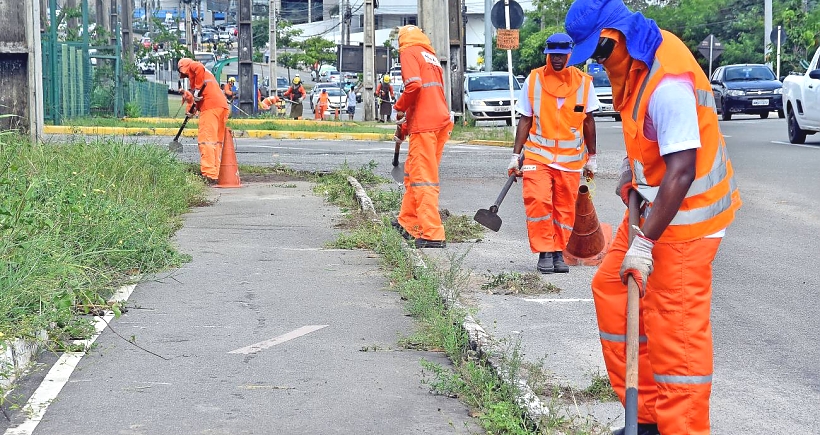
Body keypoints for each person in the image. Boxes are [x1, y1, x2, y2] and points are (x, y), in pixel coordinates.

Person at [564, 1, 742, 434]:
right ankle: (643, 417)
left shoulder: (667, 83)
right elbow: (651, 138)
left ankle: (680, 427)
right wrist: (633, 164)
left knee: (675, 335)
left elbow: (682, 170)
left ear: (617, 37)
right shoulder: (638, 65)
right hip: (655, 208)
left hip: (686, 222)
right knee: (610, 286)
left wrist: (643, 245)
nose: (599, 65)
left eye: (600, 54)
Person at [508, 32, 599, 274]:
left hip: (570, 160)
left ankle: (559, 251)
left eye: (561, 55)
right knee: (538, 201)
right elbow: (525, 120)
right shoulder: (534, 79)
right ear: (547, 55)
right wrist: (515, 155)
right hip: (538, 155)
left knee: (565, 208)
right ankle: (544, 251)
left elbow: (588, 122)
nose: (557, 59)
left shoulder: (584, 83)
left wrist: (592, 157)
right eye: (552, 55)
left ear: (570, 55)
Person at [391, 25, 453, 249]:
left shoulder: (408, 51)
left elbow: (414, 86)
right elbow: (428, 94)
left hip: (425, 126)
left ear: (402, 40)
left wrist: (399, 108)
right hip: (439, 121)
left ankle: (433, 234)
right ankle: (408, 223)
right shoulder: (431, 56)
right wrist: (406, 124)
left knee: (423, 178)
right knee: (413, 175)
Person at [178, 57, 229, 185]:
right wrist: (190, 110)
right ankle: (215, 172)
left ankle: (209, 174)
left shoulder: (194, 67)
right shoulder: (203, 76)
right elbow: (197, 99)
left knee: (206, 141)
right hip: (221, 107)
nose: (185, 76)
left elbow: (198, 67)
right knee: (216, 142)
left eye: (184, 74)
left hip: (210, 109)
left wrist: (196, 90)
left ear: (184, 68)